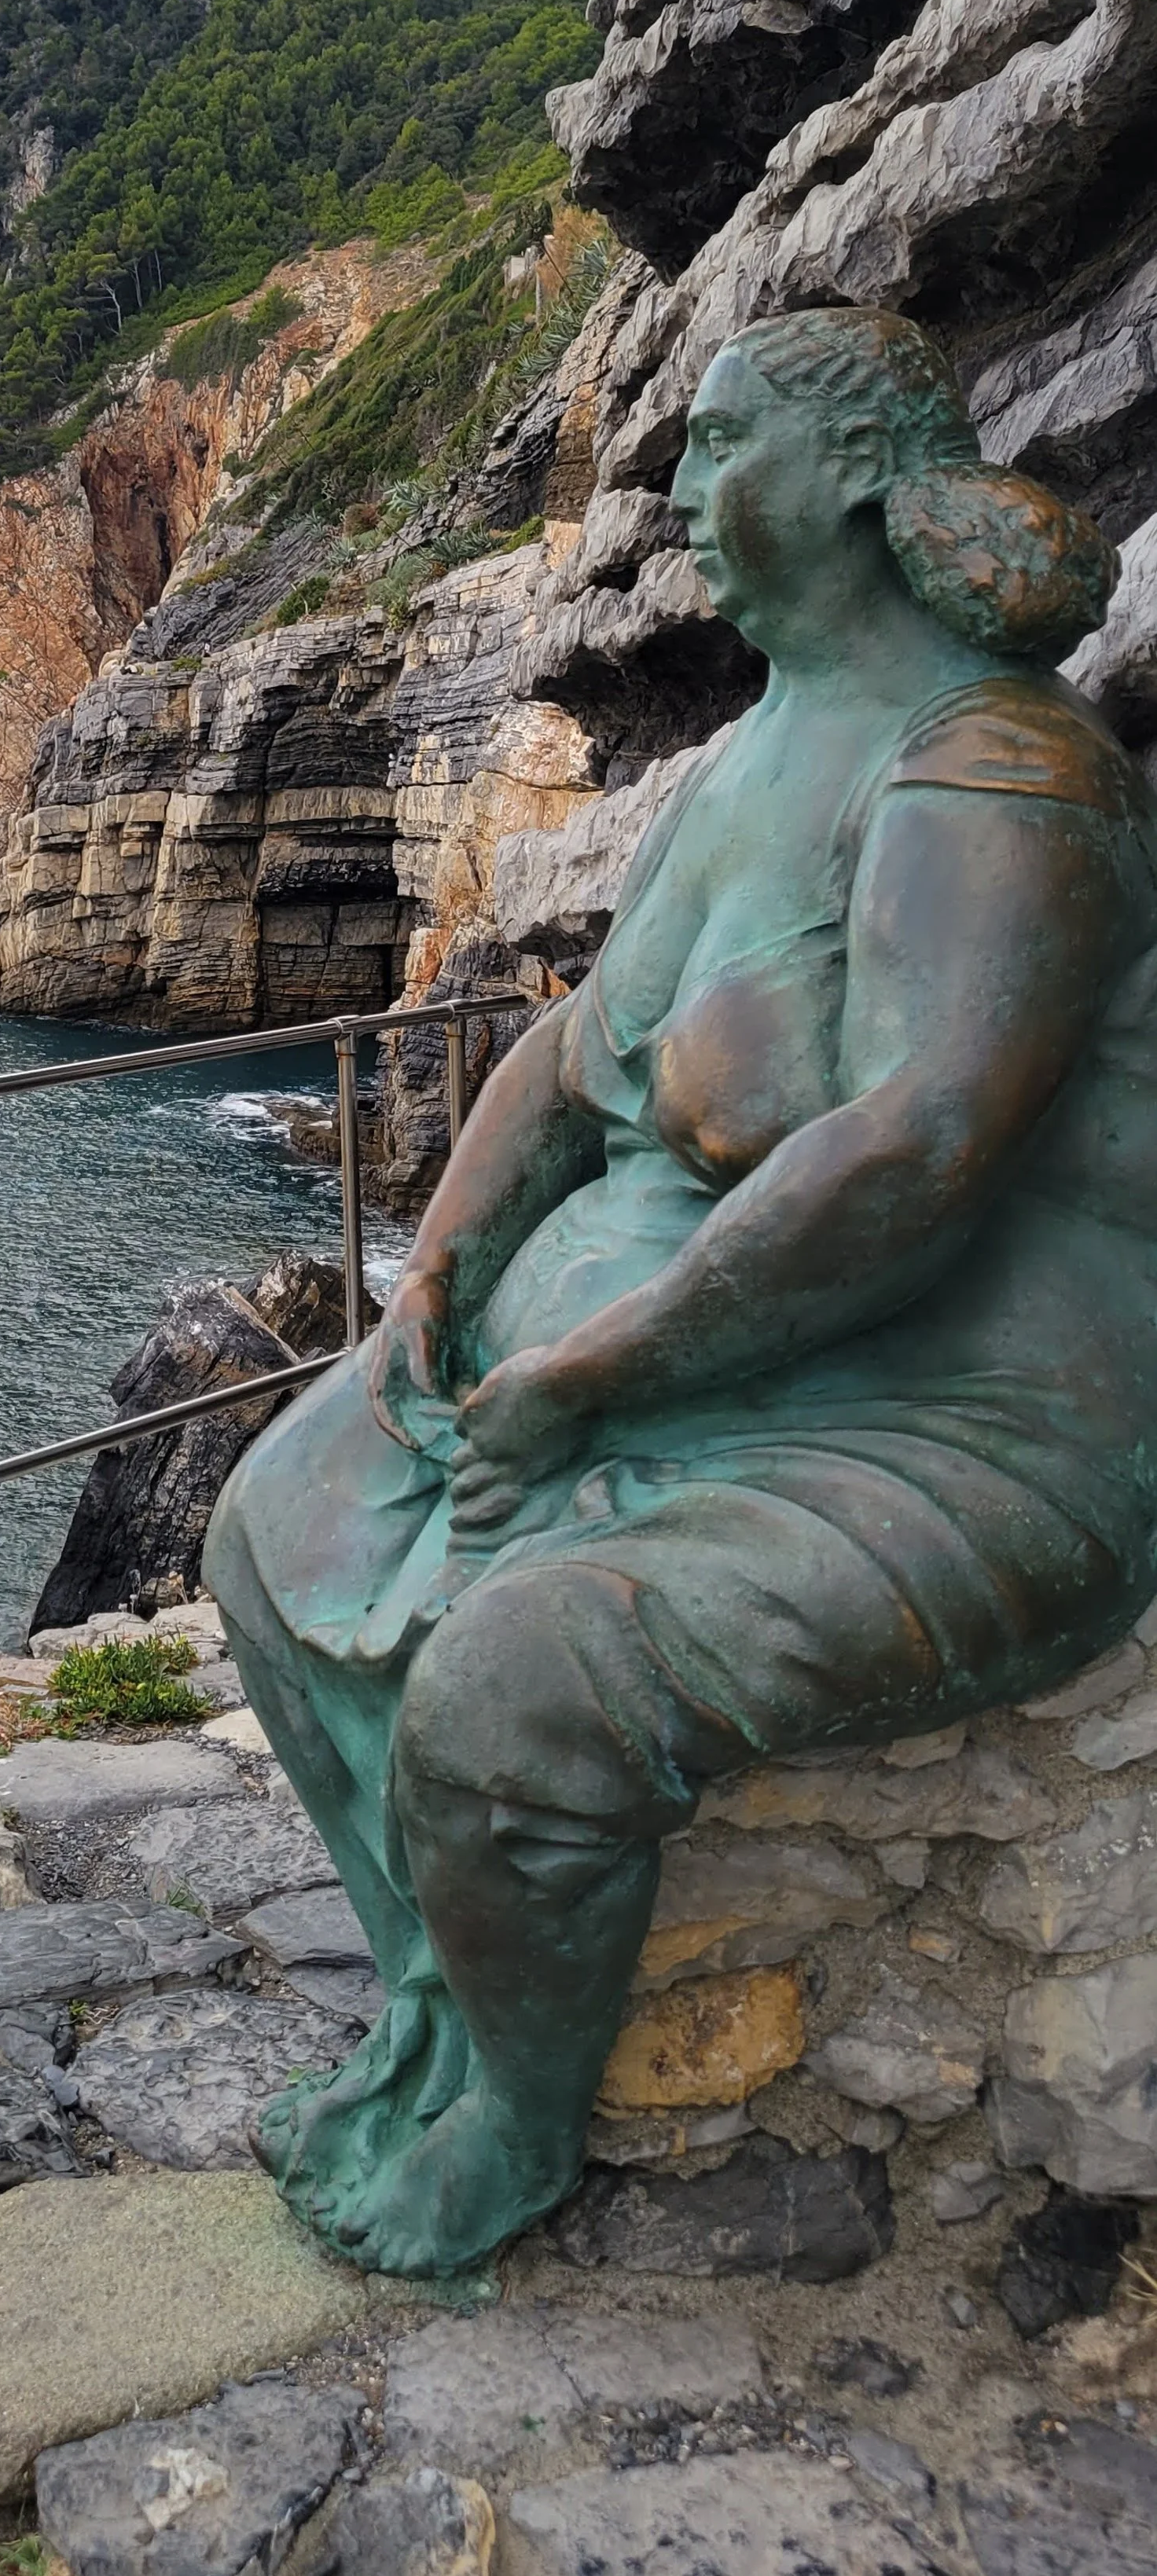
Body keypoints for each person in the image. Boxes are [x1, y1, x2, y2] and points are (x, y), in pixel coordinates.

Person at [205, 305, 1157, 2277]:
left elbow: (915, 1141)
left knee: (518, 1683)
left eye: (719, 447)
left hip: (949, 1417)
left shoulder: (995, 758)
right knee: (261, 1523)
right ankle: (439, 1998)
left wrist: (592, 1373)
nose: (677, 494)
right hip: (681, 1376)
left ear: (855, 479)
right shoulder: (741, 763)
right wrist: (436, 1282)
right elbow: (569, 1054)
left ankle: (512, 2123)